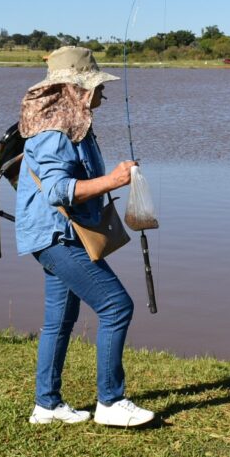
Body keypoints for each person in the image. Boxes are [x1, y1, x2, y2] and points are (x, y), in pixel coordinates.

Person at [14, 46, 155, 428]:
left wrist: (113, 176)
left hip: (58, 234)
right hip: (56, 236)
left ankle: (47, 405)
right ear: (77, 89)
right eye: (96, 85)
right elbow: (57, 191)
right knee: (116, 306)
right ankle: (110, 402)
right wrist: (112, 181)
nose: (103, 92)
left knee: (59, 320)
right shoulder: (55, 131)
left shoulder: (72, 123)